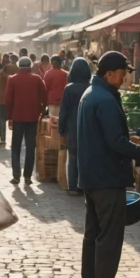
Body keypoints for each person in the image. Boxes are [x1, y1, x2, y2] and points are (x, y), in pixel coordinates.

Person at [77, 52, 140, 278]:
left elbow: (106, 135)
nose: (125, 78)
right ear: (109, 73)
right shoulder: (104, 98)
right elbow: (114, 142)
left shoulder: (92, 94)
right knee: (109, 238)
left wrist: (128, 138)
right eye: (122, 73)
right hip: (106, 176)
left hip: (92, 175)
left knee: (93, 236)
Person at [5, 57, 46, 185]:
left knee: (16, 147)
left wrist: (9, 117)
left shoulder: (12, 79)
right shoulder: (37, 79)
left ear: (18, 66)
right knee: (30, 147)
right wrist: (41, 111)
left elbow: (8, 100)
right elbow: (44, 97)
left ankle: (16, 176)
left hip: (17, 117)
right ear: (30, 66)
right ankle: (27, 176)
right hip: (33, 117)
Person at [58, 58, 90, 196]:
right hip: (89, 129)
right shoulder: (90, 87)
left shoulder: (69, 88)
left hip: (72, 128)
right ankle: (84, 186)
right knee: (86, 158)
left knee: (72, 158)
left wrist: (61, 131)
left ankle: (72, 187)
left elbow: (63, 112)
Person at [0, 54, 18, 147]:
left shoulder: (2, 73)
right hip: (14, 100)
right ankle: (15, 140)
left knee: (1, 120)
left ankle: (3, 139)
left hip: (2, 100)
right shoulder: (18, 72)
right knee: (16, 121)